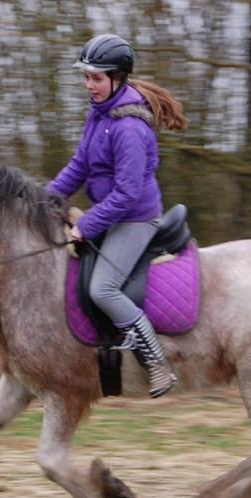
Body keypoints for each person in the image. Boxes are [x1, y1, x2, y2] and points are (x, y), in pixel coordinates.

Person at [47, 34, 188, 398]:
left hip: (134, 218)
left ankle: (157, 363)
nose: (88, 84)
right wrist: (44, 200)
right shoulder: (100, 114)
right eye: (85, 77)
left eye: (95, 77)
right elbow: (79, 165)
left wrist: (86, 225)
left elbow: (126, 194)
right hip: (111, 211)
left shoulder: (129, 128)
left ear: (117, 78)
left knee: (103, 289)